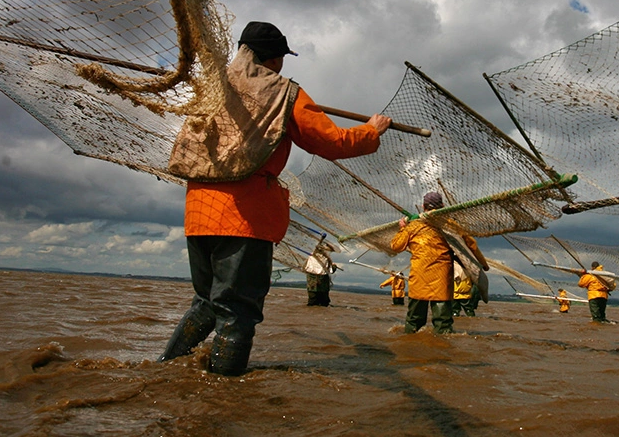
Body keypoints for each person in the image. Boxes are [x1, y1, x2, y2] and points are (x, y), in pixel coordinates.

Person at [159, 21, 390, 375]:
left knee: (207, 303)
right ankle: (224, 395)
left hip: (200, 213)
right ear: (277, 59)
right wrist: (371, 132)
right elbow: (329, 142)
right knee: (237, 312)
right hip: (244, 218)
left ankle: (163, 371)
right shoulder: (284, 92)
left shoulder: (214, 86)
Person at [390, 191, 486, 334]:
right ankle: (443, 349)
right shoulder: (450, 224)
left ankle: (411, 349)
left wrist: (403, 228)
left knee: (413, 322)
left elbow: (395, 246)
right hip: (441, 277)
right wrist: (484, 265)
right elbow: (471, 244)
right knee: (443, 325)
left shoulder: (413, 226)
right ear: (442, 206)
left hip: (419, 277)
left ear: (423, 207)